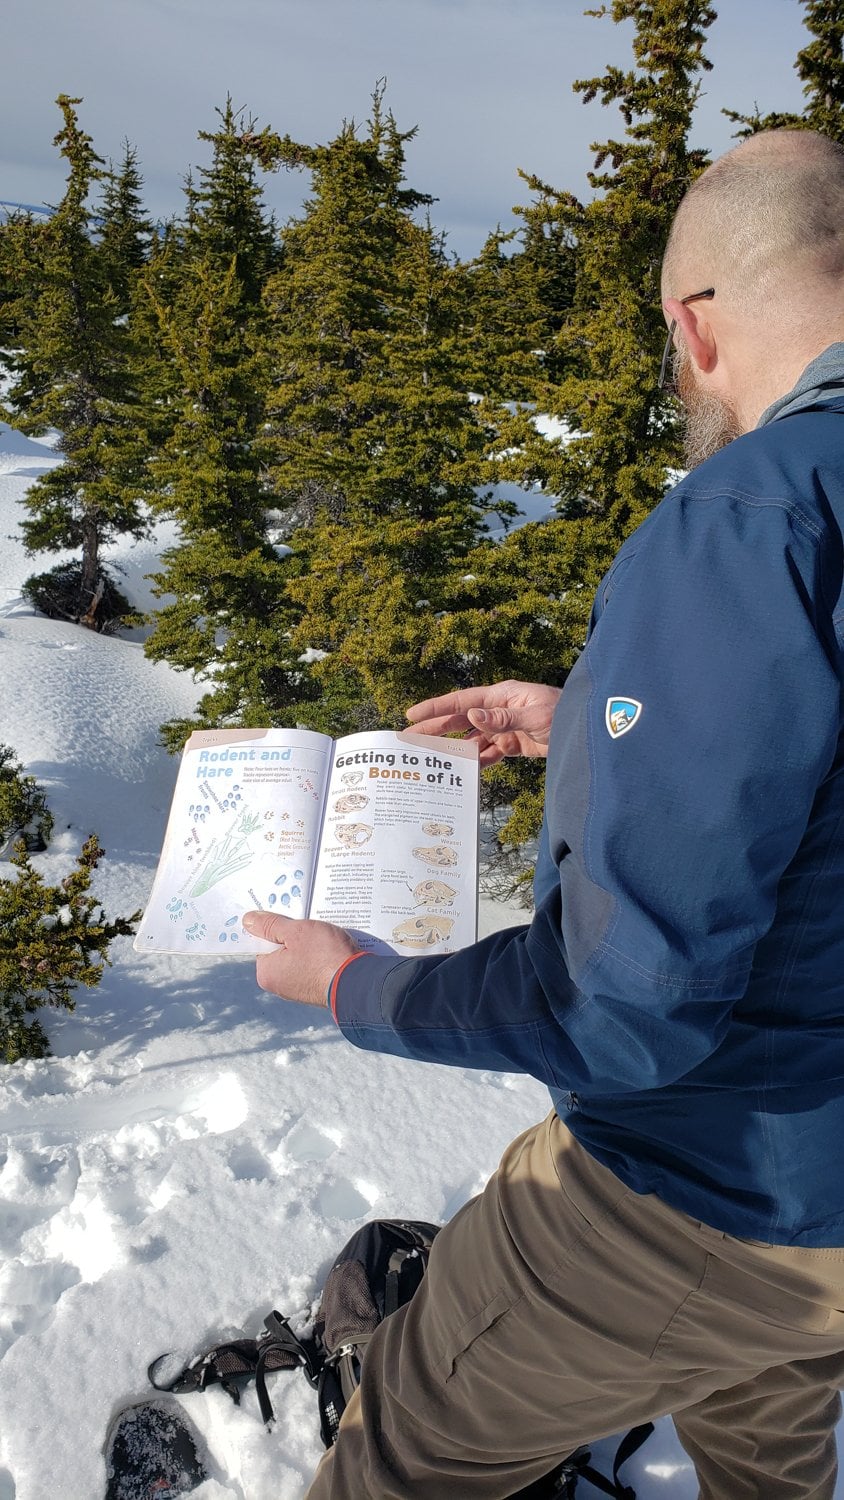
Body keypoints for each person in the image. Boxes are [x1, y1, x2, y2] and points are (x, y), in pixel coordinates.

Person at [243, 128, 844, 1499]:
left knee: (402, 1442)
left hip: (703, 1190)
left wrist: (357, 989)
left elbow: (623, 1003)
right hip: (821, 1203)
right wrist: (601, 722)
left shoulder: (753, 516)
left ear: (693, 325)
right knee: (766, 1449)